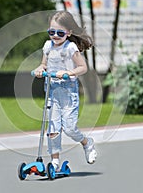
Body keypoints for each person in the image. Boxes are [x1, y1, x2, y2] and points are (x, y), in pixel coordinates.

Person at [33, 11, 97, 171]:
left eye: (60, 33)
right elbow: (44, 64)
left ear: (68, 33)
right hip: (52, 92)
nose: (55, 36)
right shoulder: (48, 46)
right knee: (53, 128)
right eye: (51, 32)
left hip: (68, 93)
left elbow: (83, 67)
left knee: (69, 128)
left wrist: (69, 73)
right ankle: (55, 161)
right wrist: (40, 69)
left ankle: (86, 142)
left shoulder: (70, 47)